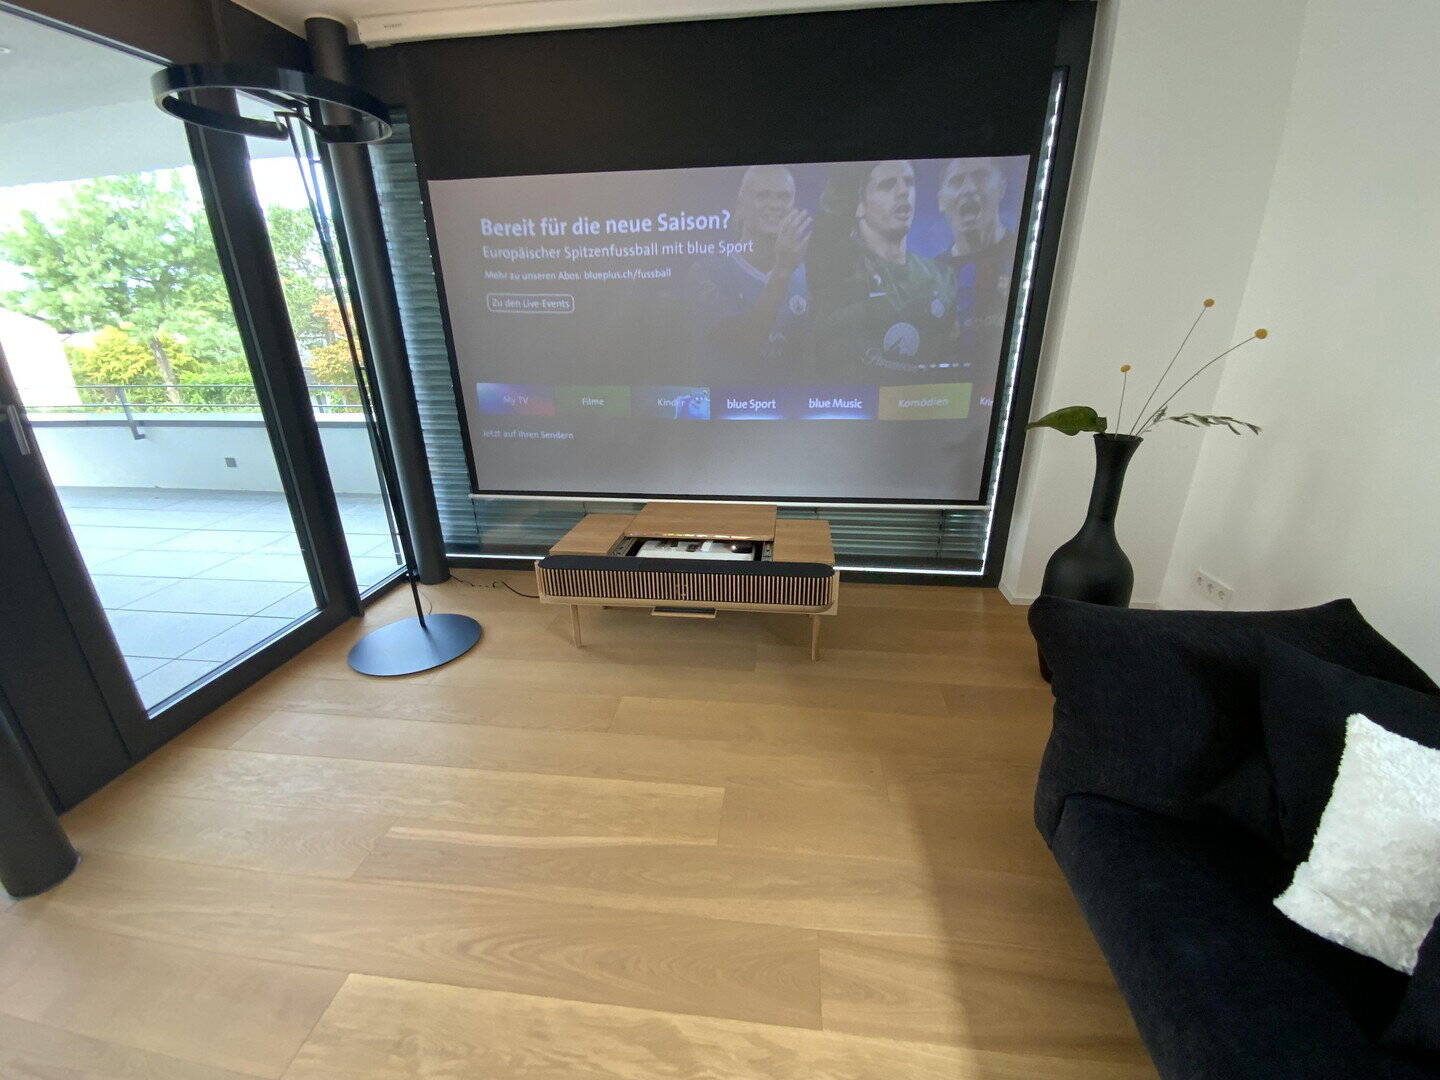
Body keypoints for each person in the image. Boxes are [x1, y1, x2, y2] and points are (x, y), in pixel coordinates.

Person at [806, 160, 958, 381]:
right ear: (859, 205)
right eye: (887, 185)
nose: (903, 192)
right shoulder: (837, 269)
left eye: (909, 182)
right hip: (848, 396)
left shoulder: (941, 277)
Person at [684, 164, 812, 383]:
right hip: (727, 401)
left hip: (794, 402)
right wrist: (781, 272)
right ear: (741, 205)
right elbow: (742, 347)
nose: (775, 205)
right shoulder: (707, 271)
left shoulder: (808, 272)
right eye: (763, 196)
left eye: (783, 197)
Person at [935, 157, 1019, 370]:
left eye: (981, 176)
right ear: (941, 201)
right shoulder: (930, 275)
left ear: (1001, 188)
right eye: (956, 181)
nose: (969, 189)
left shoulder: (1024, 262)